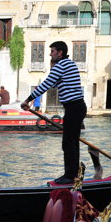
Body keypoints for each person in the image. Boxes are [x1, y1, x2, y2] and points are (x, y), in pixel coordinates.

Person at [21, 41, 86, 185]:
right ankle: (73, 173)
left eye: (52, 51)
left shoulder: (63, 65)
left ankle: (70, 176)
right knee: (72, 142)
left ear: (60, 52)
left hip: (74, 107)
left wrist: (28, 99)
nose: (50, 54)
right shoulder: (68, 65)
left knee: (68, 142)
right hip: (76, 107)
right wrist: (52, 68)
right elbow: (56, 84)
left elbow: (46, 84)